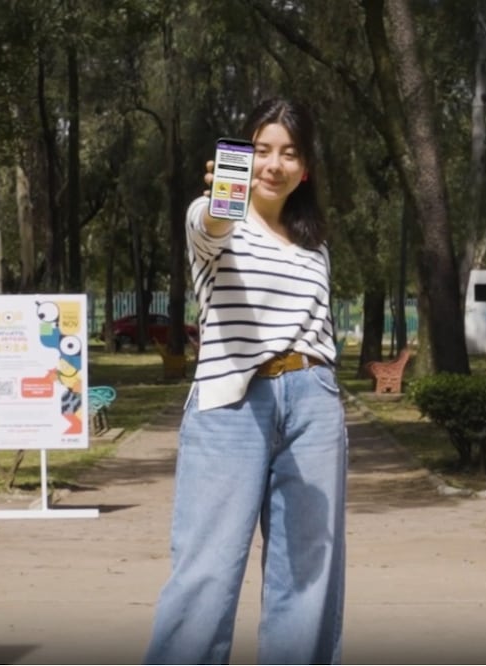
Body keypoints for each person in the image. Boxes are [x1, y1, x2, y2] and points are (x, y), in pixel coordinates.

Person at [144, 97, 347, 665]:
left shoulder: (315, 246)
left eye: (289, 154)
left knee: (308, 575)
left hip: (313, 402)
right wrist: (218, 202)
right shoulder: (212, 220)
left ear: (304, 169)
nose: (273, 164)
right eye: (261, 151)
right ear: (244, 155)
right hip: (232, 404)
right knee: (206, 571)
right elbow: (209, 226)